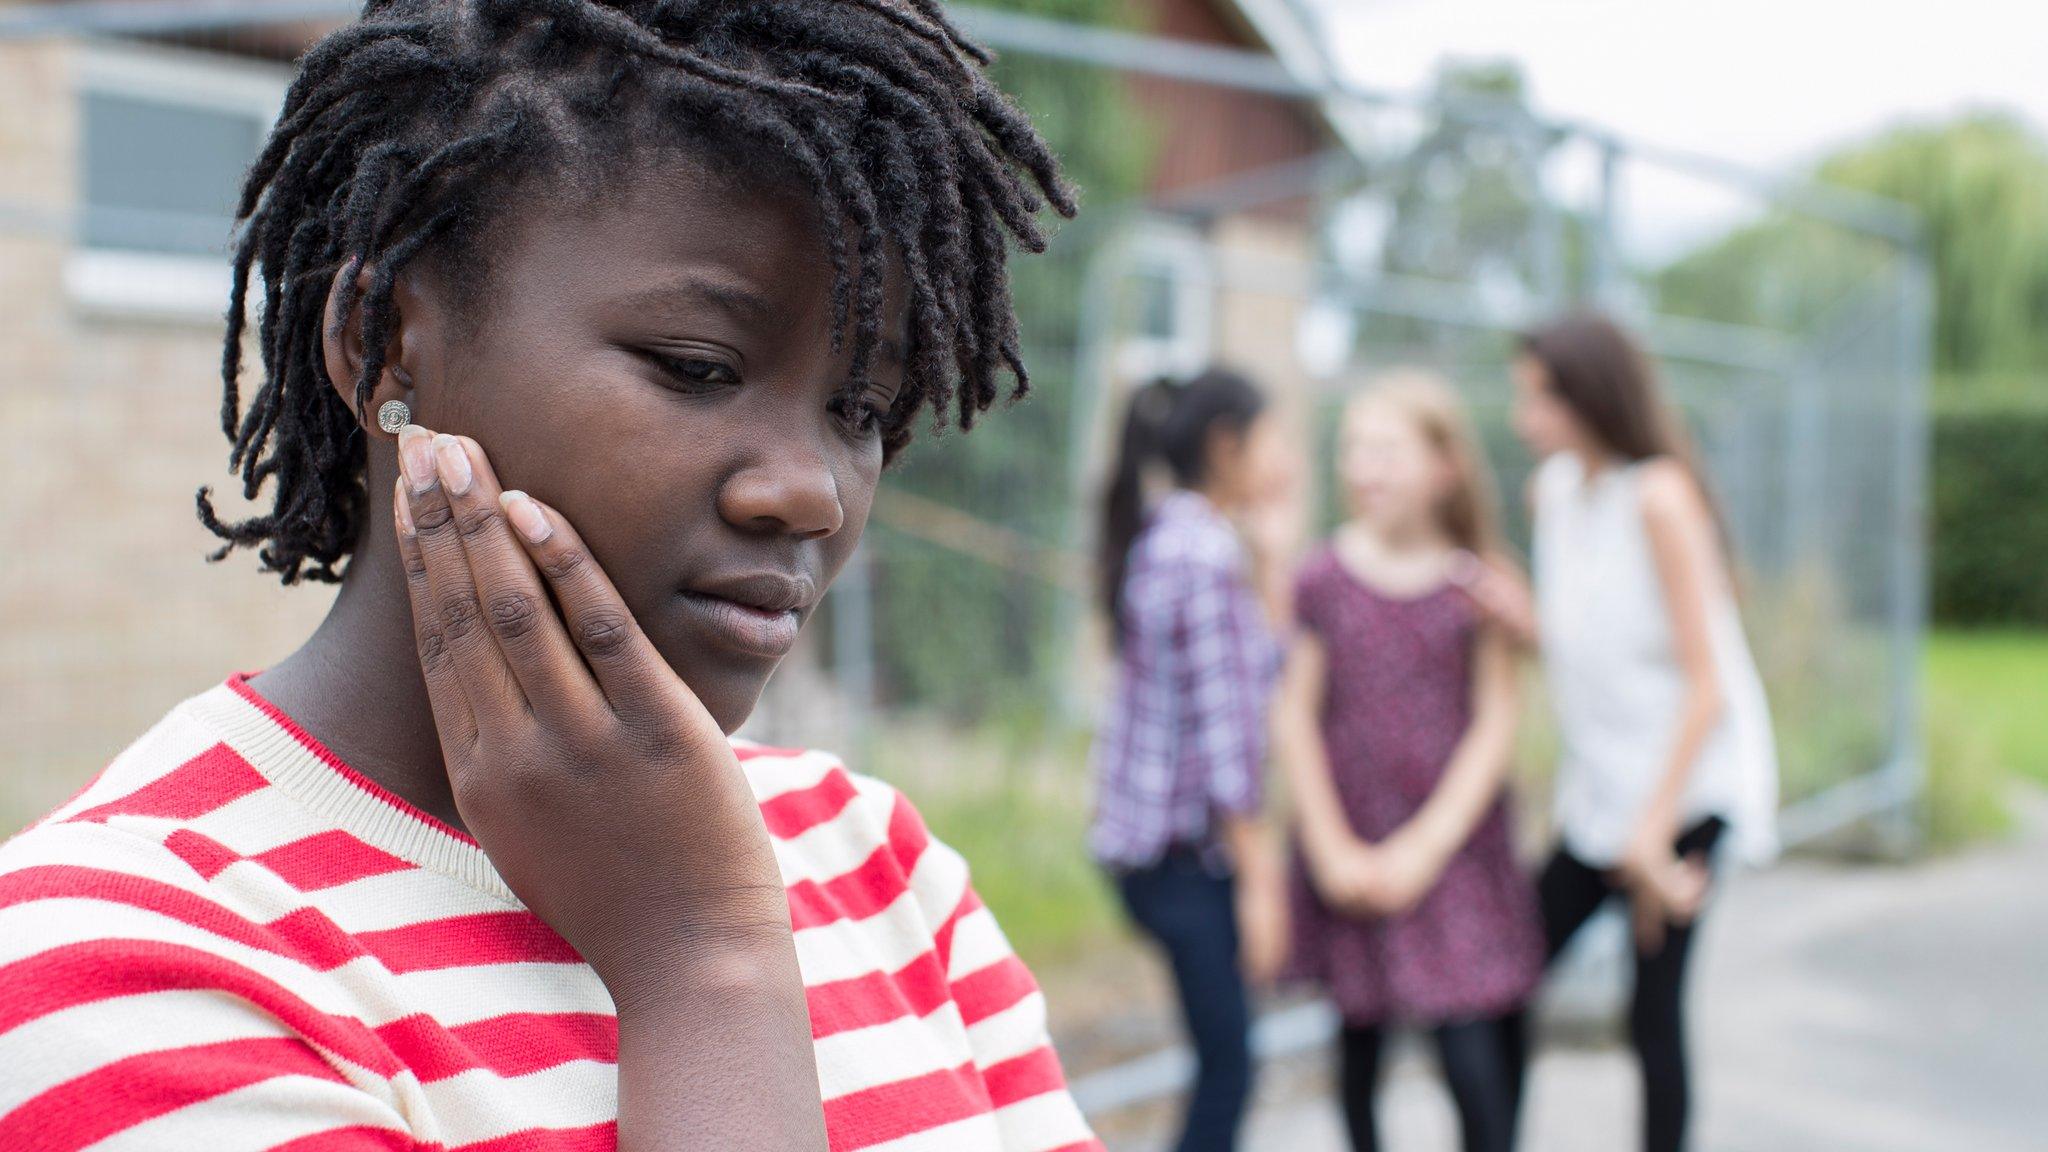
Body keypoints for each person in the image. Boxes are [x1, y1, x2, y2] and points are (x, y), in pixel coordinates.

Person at [0, 3, 1104, 1150]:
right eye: (696, 367)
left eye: (859, 409)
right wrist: (700, 964)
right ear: (384, 342)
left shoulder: (877, 865)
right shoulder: (118, 959)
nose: (813, 490)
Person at [1495, 312, 1779, 1152]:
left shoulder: (1660, 498)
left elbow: (1706, 688)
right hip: (1604, 793)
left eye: (1539, 398)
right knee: (1509, 980)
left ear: (1590, 395)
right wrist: (1522, 622)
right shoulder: (1552, 492)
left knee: (1652, 1013)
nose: (1524, 418)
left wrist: (1653, 838)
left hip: (1685, 788)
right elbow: (1594, 642)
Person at [1273, 375, 1543, 1152]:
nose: (1365, 467)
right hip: (1353, 849)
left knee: (1472, 1057)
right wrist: (1331, 852)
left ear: (1444, 467)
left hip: (1452, 857)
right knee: (1358, 1048)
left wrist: (1424, 850)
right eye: (1354, 449)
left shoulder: (1475, 584)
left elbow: (1496, 721)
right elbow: (1295, 713)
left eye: (1387, 450)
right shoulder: (1322, 577)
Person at [1088, 369, 1294, 1152]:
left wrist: (1271, 565)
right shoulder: (1202, 553)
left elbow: (1256, 677)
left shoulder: (1172, 537)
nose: (1284, 461)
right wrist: (1261, 886)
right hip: (1183, 862)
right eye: (1272, 441)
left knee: (1224, 1057)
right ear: (1225, 445)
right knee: (1230, 1066)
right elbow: (1228, 742)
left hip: (1157, 854)